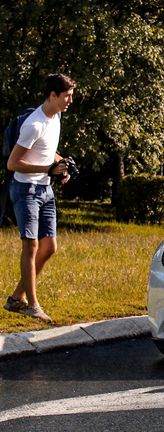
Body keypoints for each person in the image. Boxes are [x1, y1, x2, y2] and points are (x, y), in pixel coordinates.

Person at [3, 73, 76, 322]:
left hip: (45, 190)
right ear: (53, 95)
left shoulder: (55, 117)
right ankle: (32, 305)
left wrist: (61, 164)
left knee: (50, 247)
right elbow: (14, 163)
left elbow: (46, 151)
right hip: (26, 191)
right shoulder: (33, 124)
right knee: (31, 246)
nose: (70, 101)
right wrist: (47, 169)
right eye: (67, 96)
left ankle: (15, 299)